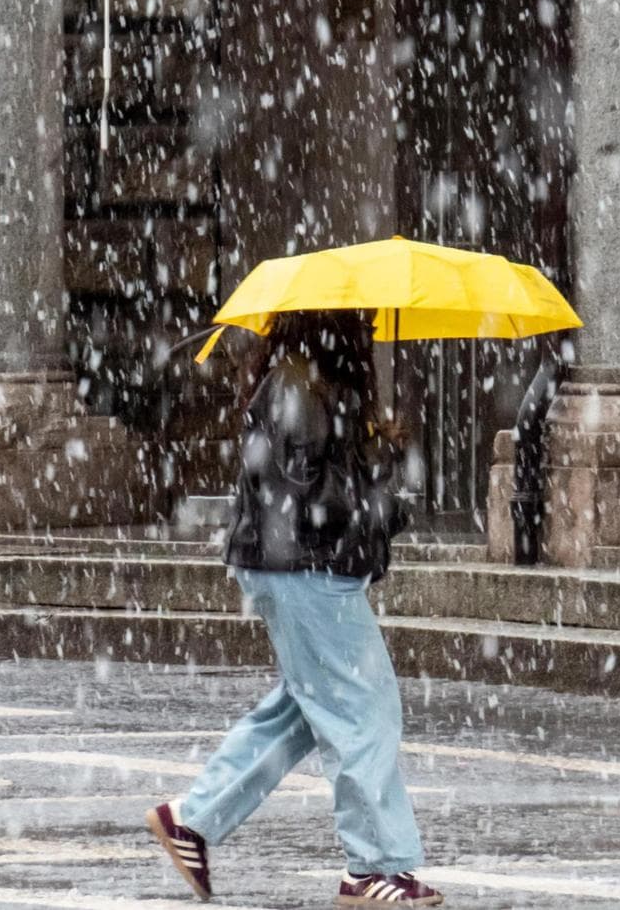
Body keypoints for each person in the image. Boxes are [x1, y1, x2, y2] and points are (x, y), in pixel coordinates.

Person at [146, 310, 443, 908]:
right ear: (336, 328)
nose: (369, 332)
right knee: (365, 708)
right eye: (361, 322)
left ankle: (193, 819)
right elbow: (310, 497)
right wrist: (380, 489)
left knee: (305, 708)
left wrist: (373, 449)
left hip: (293, 566)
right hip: (305, 568)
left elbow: (308, 481)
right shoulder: (301, 388)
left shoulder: (302, 383)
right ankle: (373, 867)